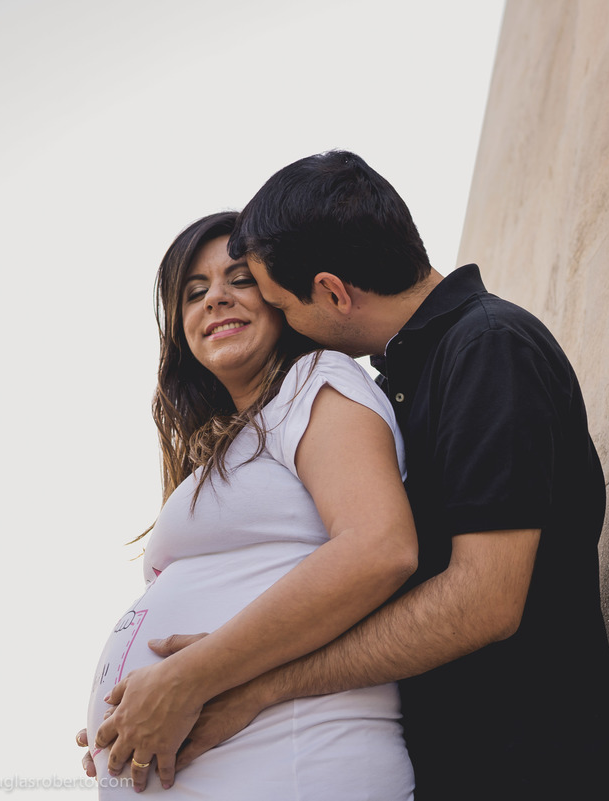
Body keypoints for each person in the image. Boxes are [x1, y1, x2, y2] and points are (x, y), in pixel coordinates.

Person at [87, 151, 609, 799]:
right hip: (461, 764)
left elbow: (483, 600)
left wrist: (247, 683)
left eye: (276, 300)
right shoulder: (411, 375)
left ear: (334, 292)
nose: (286, 324)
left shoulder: (489, 347)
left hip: (521, 767)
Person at [83, 211, 418, 798]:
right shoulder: (229, 442)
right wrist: (124, 712)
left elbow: (379, 548)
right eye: (194, 292)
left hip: (300, 763)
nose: (215, 298)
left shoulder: (316, 379)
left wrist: (186, 678)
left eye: (239, 280)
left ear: (281, 295)